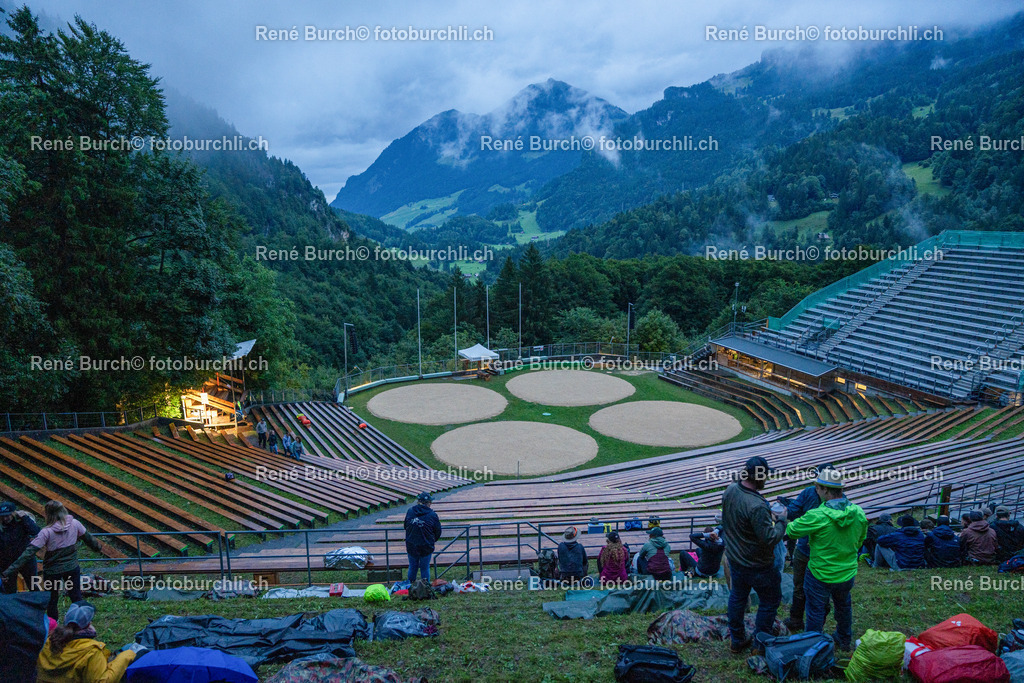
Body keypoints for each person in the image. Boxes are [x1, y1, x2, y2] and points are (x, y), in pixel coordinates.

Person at [785, 470, 867, 652]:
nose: (816, 491)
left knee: (815, 611)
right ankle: (844, 639)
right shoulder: (858, 513)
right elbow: (860, 541)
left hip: (819, 574)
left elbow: (791, 531)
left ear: (825, 490)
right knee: (843, 606)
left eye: (817, 488)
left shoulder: (817, 516)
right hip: (847, 573)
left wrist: (782, 516)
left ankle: (813, 647)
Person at [722, 456, 787, 654]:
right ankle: (760, 644)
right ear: (760, 478)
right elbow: (769, 538)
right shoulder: (757, 505)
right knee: (769, 602)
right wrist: (782, 521)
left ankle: (737, 639)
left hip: (735, 559)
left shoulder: (731, 489)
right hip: (758, 565)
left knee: (737, 597)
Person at [1, 501, 101, 620]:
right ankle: (83, 620)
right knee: (76, 595)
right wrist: (98, 548)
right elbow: (89, 538)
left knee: (52, 599)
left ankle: (52, 624)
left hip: (52, 571)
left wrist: (7, 572)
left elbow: (28, 554)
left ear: (47, 514)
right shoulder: (75, 523)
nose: (5, 518)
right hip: (72, 567)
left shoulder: (46, 532)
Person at [36, 601, 143, 683]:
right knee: (130, 650)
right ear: (89, 624)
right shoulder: (91, 652)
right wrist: (127, 655)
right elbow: (102, 681)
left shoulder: (46, 642)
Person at [780, 477, 825, 632]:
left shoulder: (839, 503)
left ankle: (816, 628)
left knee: (820, 590)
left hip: (821, 552)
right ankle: (796, 619)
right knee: (799, 586)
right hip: (805, 550)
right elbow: (794, 509)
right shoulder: (808, 493)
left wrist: (784, 519)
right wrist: (786, 512)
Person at [0, 501, 40, 594]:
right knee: (10, 591)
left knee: (33, 586)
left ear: (13, 513)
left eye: (8, 515)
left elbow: (36, 532)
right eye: (3, 516)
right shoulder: (1, 527)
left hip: (26, 560)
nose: (5, 518)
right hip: (7, 564)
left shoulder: (22, 522)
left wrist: (25, 518)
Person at [404, 492, 441, 583]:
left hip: (412, 544)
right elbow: (438, 531)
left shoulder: (410, 511)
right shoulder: (432, 514)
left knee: (412, 567)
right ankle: (426, 588)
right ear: (428, 503)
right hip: (426, 545)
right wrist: (431, 540)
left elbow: (405, 526)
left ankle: (411, 587)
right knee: (425, 568)